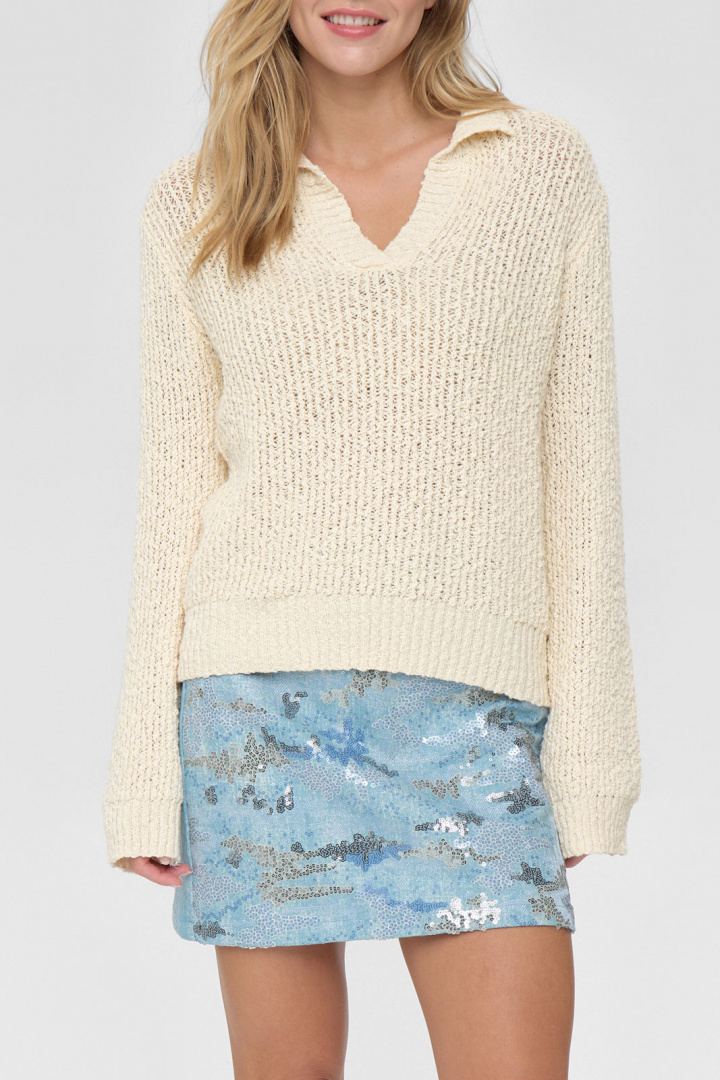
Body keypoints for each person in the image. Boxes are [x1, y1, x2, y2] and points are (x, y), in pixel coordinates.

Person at [103, 1, 642, 1076]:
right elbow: (173, 496)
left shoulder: (538, 171)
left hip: (476, 715)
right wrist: (142, 774)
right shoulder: (197, 199)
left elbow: (580, 479)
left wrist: (590, 760)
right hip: (256, 717)